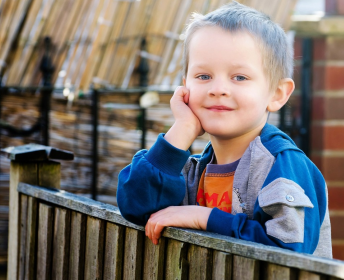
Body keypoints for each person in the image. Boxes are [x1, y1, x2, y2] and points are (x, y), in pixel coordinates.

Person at [117, 1, 332, 258]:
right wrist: (181, 130)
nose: (217, 89)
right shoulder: (191, 169)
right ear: (185, 88)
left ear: (277, 93)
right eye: (203, 76)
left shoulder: (283, 166)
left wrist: (205, 217)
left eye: (239, 77)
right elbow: (135, 207)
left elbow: (288, 252)